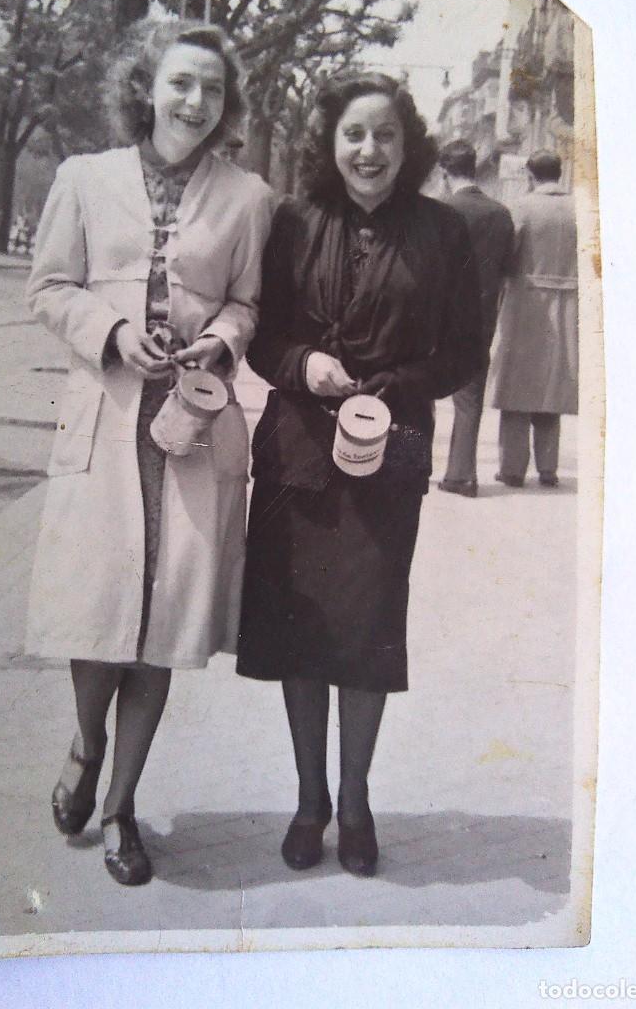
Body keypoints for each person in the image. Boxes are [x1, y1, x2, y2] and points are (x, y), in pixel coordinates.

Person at [25, 18, 273, 885]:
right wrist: (113, 328)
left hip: (193, 430)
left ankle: (124, 805)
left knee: (163, 625)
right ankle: (87, 745)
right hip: (104, 418)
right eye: (180, 83)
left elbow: (248, 304)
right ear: (146, 87)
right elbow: (49, 287)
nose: (195, 102)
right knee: (97, 611)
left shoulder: (248, 197)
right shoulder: (84, 179)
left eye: (211, 88)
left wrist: (222, 342)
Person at [236, 73, 483, 877]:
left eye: (384, 135)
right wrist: (304, 365)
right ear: (330, 142)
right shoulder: (294, 222)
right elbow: (262, 336)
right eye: (353, 134)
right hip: (297, 451)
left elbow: (465, 354)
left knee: (368, 629)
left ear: (407, 146)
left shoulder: (444, 233)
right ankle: (308, 801)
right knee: (302, 633)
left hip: (394, 446)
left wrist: (399, 384)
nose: (368, 150)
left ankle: (355, 800)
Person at [489, 149, 578, 488]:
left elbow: (507, 254)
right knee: (552, 384)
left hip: (526, 300)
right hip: (568, 301)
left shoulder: (522, 207)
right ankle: (548, 468)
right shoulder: (577, 209)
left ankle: (512, 469)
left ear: (529, 174)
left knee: (517, 385)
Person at [436, 139, 514, 497]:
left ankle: (413, 464)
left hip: (435, 317)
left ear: (444, 171)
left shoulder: (438, 209)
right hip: (481, 317)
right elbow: (507, 268)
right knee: (469, 400)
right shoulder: (500, 213)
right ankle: (462, 475)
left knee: (418, 392)